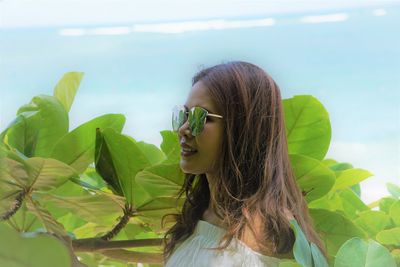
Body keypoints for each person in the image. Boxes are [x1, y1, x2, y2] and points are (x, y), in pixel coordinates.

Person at [163, 61, 327, 266]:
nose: (183, 129)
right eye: (183, 115)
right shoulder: (200, 213)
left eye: (200, 117)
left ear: (242, 129)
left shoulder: (266, 236)